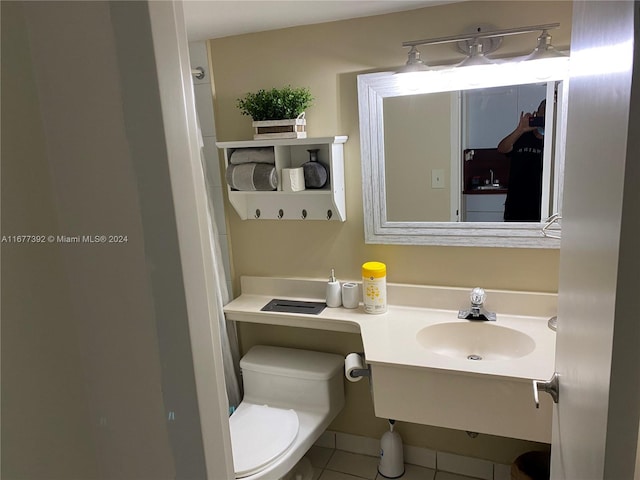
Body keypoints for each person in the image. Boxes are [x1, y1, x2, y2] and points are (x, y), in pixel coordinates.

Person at [497, 100, 546, 222]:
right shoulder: (522, 136)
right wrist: (520, 129)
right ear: (536, 114)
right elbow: (502, 148)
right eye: (542, 115)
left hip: (541, 207)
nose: (545, 120)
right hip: (515, 205)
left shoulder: (554, 140)